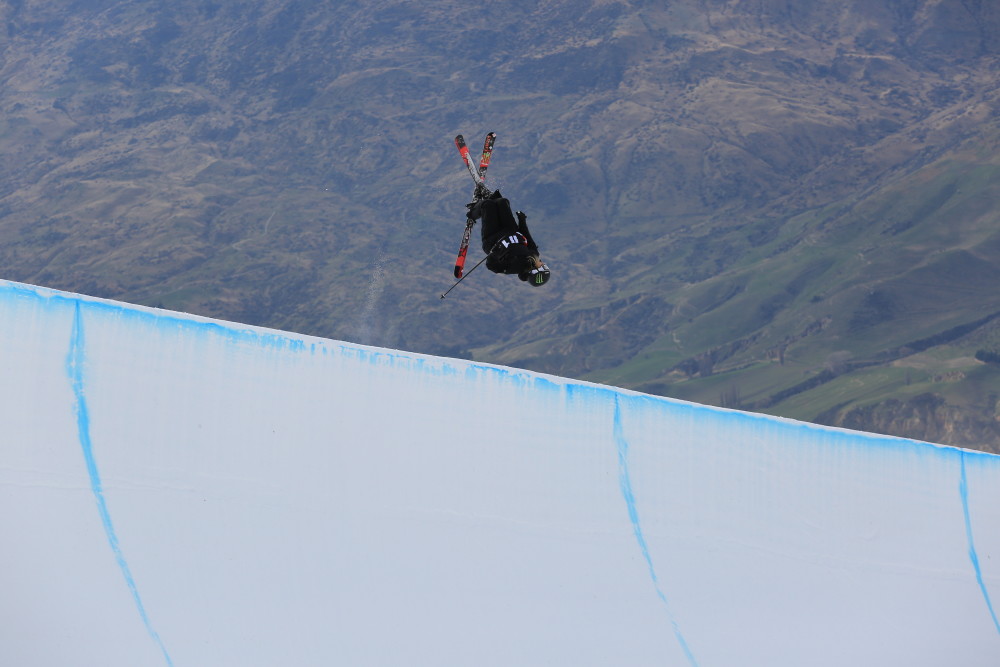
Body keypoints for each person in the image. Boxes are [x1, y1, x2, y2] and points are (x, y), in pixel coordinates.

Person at [466, 189, 551, 286]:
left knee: (487, 205)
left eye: (543, 267)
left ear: (535, 270)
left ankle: (472, 214)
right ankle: (490, 198)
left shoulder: (514, 267)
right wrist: (522, 220)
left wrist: (493, 254)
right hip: (510, 229)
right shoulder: (534, 254)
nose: (543, 264)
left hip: (493, 238)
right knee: (502, 202)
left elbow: (492, 266)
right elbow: (527, 237)